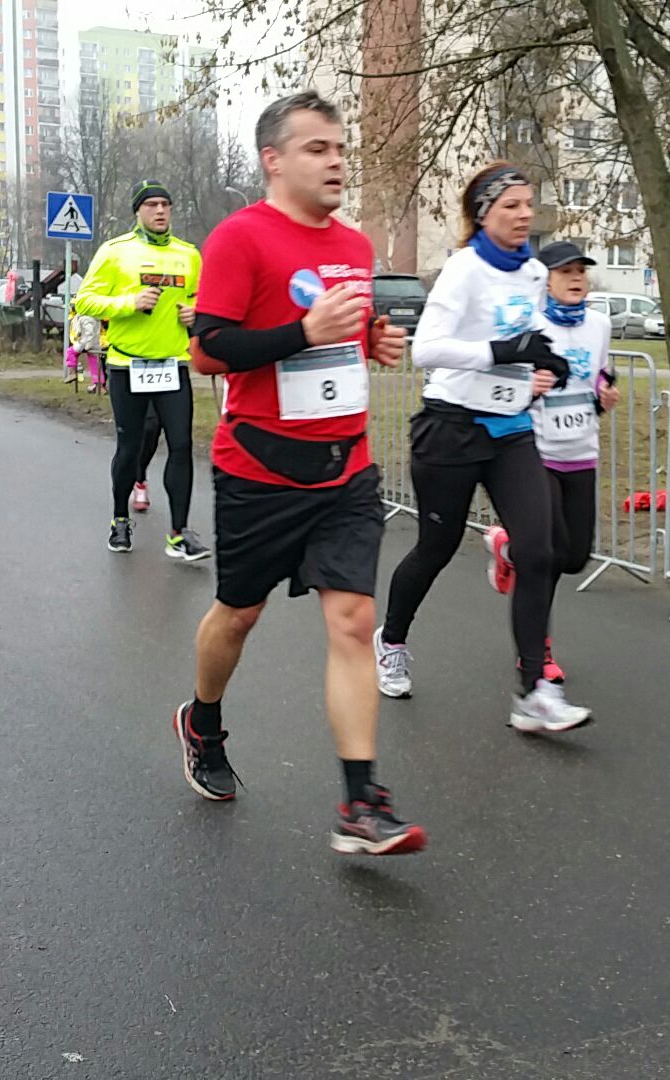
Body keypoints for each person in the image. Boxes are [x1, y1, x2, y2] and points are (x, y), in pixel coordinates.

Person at [179, 90, 425, 856]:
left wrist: (371, 343)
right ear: (274, 159)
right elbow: (208, 351)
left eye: (341, 148)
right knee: (238, 616)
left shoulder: (355, 246)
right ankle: (203, 720)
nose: (336, 161)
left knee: (352, 622)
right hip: (259, 469)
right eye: (318, 148)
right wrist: (302, 332)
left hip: (346, 468)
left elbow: (338, 344)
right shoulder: (240, 238)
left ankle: (361, 803)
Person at [373, 162, 591, 734]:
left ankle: (535, 691)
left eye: (529, 205)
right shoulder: (463, 269)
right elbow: (427, 349)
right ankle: (391, 639)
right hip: (452, 426)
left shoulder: (534, 272)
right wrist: (502, 352)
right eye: (511, 205)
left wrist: (543, 360)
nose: (524, 215)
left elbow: (525, 334)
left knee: (540, 550)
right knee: (436, 548)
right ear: (483, 212)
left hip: (511, 428)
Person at [481, 241, 620, 686]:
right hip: (536, 451)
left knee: (575, 557)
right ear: (546, 281)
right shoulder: (530, 324)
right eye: (565, 272)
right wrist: (529, 386)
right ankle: (536, 650)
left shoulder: (599, 325)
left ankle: (508, 546)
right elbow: (499, 382)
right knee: (545, 556)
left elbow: (601, 373)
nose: (576, 278)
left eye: (581, 270)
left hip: (581, 450)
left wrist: (604, 394)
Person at [73, 181, 209, 558]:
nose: (160, 210)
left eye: (165, 204)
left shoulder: (188, 254)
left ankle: (179, 533)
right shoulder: (115, 251)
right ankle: (120, 521)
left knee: (181, 445)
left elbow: (202, 296)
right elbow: (85, 300)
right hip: (127, 364)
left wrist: (196, 312)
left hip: (172, 364)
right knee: (130, 447)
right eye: (151, 205)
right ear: (138, 211)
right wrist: (129, 302)